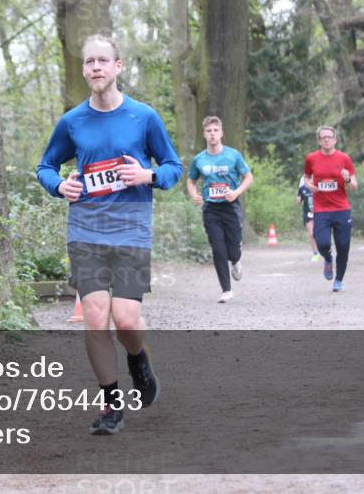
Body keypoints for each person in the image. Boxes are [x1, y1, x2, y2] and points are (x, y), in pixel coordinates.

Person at [36, 34, 183, 436]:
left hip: (131, 229)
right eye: (90, 62)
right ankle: (111, 404)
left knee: (126, 319)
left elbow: (173, 166)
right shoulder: (72, 121)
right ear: (84, 70)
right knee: (96, 316)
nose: (96, 67)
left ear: (118, 67)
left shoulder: (143, 117)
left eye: (103, 60)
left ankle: (138, 358)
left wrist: (148, 175)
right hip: (85, 230)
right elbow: (45, 167)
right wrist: (58, 185)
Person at [187, 116, 254, 303]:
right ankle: (226, 290)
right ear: (204, 134)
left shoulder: (233, 155)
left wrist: (236, 192)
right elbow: (191, 181)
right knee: (218, 248)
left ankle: (236, 260)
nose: (212, 134)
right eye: (209, 131)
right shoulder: (199, 159)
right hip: (211, 209)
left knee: (233, 250)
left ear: (221, 133)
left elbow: (248, 177)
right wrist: (194, 195)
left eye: (216, 130)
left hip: (230, 207)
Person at [303, 125, 358, 292]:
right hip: (321, 209)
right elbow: (306, 177)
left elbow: (355, 186)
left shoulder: (344, 158)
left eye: (329, 137)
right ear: (319, 141)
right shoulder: (311, 158)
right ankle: (327, 258)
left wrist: (347, 180)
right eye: (323, 137)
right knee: (322, 242)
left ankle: (338, 280)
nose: (327, 140)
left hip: (342, 209)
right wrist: (309, 185)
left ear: (335, 140)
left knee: (343, 246)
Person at [296, 175, 319, 261]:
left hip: (320, 213)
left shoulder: (318, 187)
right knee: (312, 233)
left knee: (321, 233)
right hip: (308, 213)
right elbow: (299, 200)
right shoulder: (303, 188)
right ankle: (315, 253)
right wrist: (298, 200)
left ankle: (324, 249)